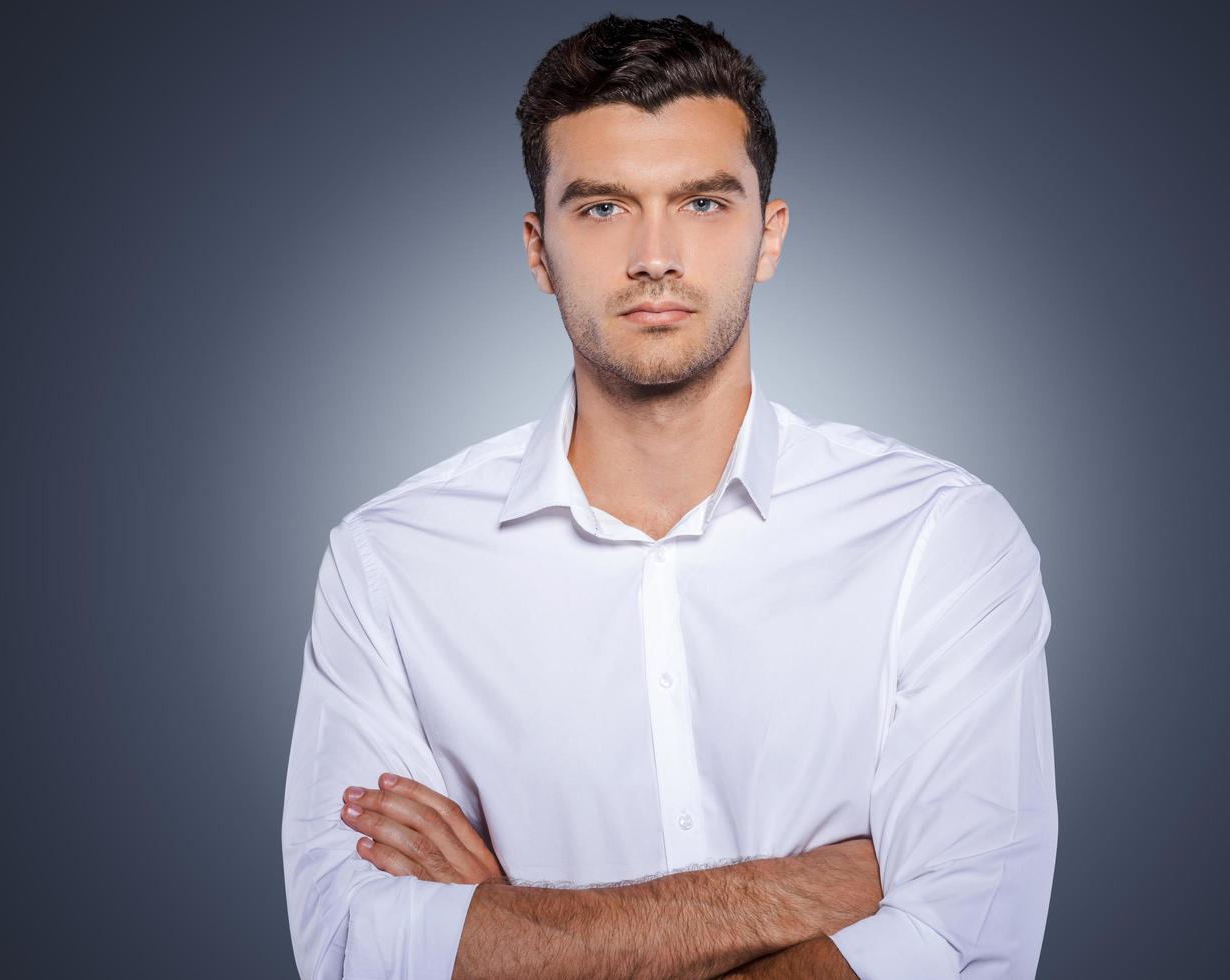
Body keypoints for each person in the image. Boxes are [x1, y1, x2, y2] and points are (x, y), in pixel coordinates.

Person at [281, 13, 1057, 980]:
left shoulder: (940, 539)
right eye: (602, 207)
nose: (655, 252)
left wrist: (506, 924)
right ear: (537, 249)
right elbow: (355, 949)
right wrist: (817, 887)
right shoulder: (389, 563)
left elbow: (960, 940)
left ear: (768, 235)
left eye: (701, 202)